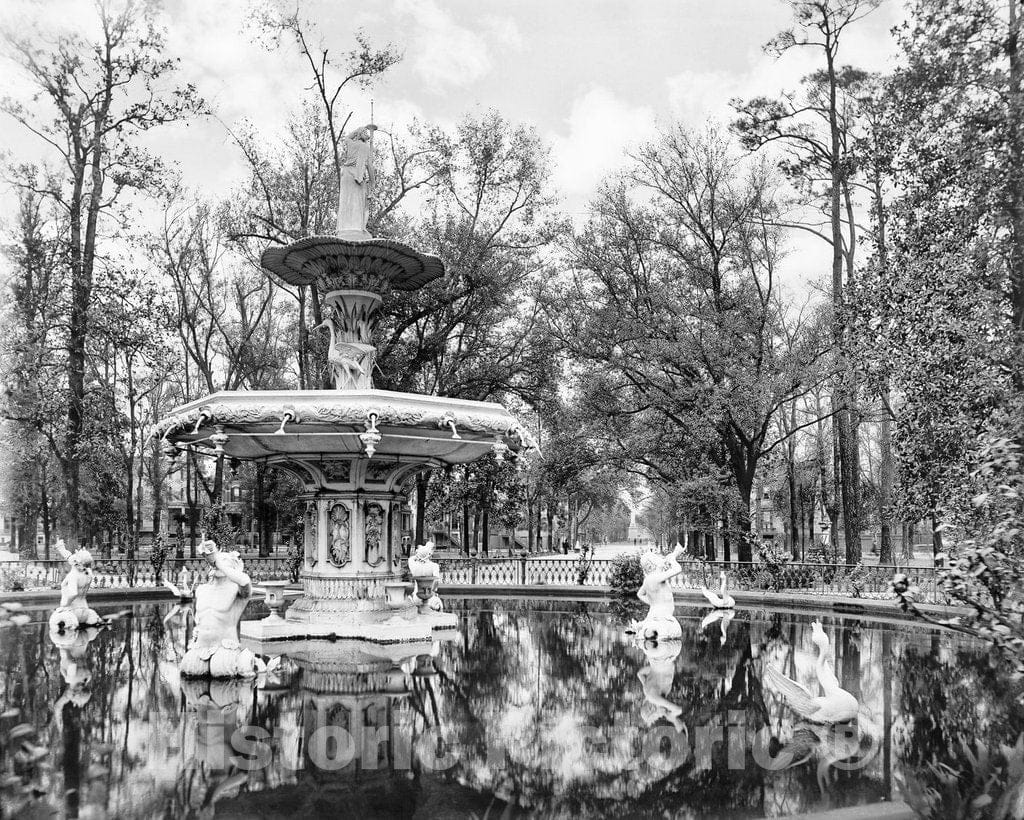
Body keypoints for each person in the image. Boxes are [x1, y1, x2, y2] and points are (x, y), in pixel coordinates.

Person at [336, 124, 378, 236]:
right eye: (365, 133)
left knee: (346, 201)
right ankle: (357, 230)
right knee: (358, 203)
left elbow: (347, 138)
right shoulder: (365, 147)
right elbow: (369, 166)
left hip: (346, 175)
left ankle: (343, 229)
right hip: (357, 177)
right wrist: (373, 182)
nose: (368, 136)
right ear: (362, 135)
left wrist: (357, 130)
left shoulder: (351, 143)